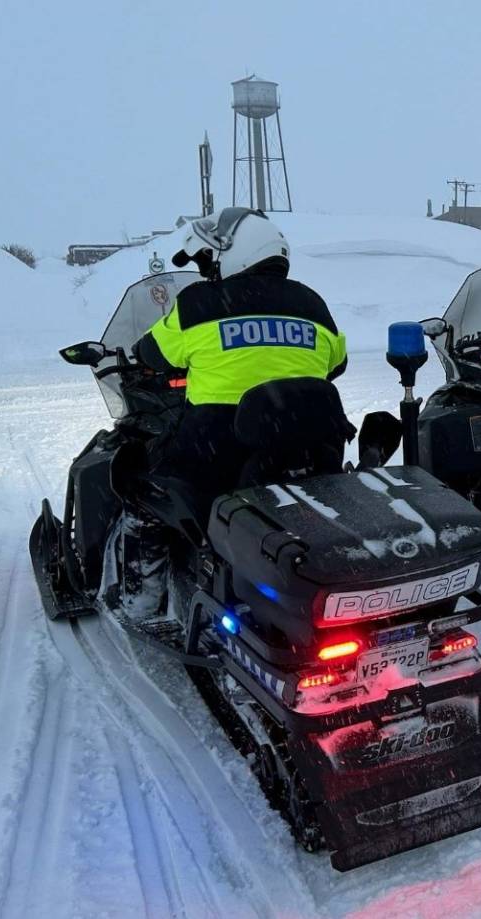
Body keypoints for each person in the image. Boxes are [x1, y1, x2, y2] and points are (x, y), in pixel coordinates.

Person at [111, 208, 348, 618]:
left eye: (209, 262)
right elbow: (337, 362)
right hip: (309, 455)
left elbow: (151, 351)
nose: (209, 271)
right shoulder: (313, 304)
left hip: (217, 455)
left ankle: (141, 600)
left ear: (233, 253)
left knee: (139, 487)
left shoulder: (199, 304)